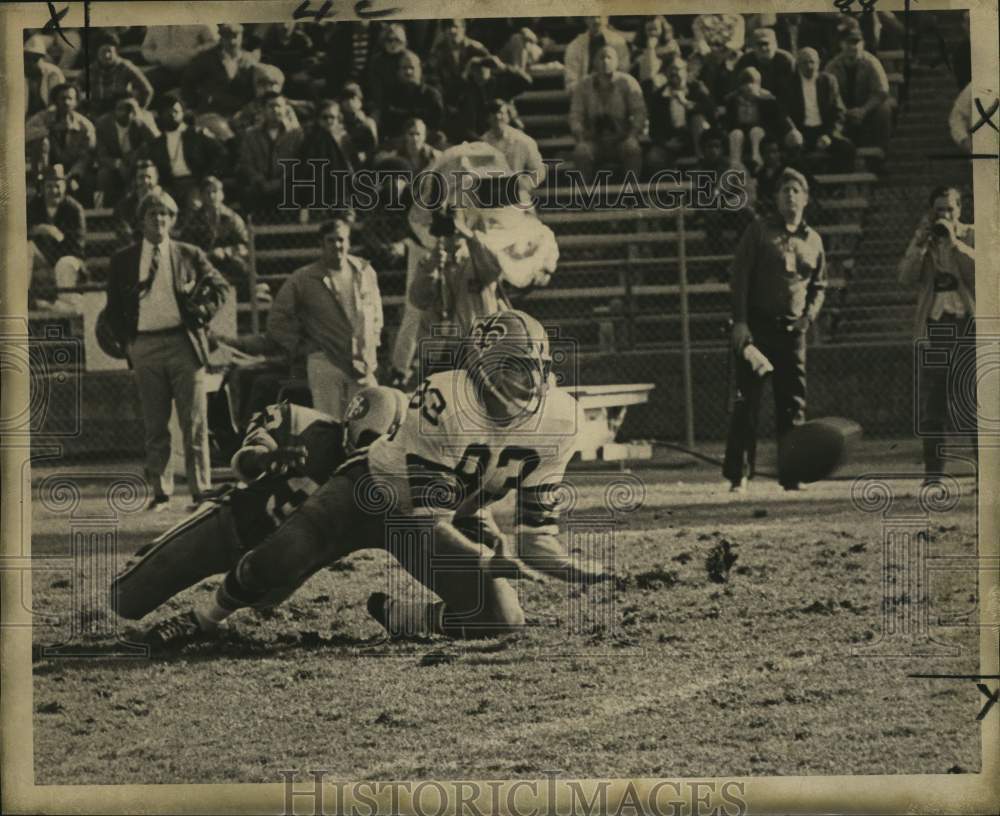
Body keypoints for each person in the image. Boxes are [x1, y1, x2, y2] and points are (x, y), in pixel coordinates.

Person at [137, 310, 603, 649]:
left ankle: (406, 618)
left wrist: (572, 567)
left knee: (503, 620)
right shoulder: (446, 398)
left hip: (440, 517)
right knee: (278, 563)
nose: (517, 380)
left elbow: (538, 534)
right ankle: (205, 618)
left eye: (524, 365)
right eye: (505, 366)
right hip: (369, 493)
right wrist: (487, 555)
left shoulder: (561, 419)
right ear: (478, 368)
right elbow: (427, 521)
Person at [112, 386, 408, 621]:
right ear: (350, 425)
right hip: (229, 529)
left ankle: (208, 616)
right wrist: (264, 459)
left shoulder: (384, 482)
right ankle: (153, 555)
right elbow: (246, 458)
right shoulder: (303, 425)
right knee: (123, 600)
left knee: (268, 582)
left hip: (278, 575)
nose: (367, 452)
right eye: (365, 441)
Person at [103, 190, 230, 511]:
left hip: (184, 344)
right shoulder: (123, 261)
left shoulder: (189, 254)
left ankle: (201, 489)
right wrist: (129, 342)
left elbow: (220, 286)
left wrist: (202, 311)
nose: (159, 220)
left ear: (172, 220)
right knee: (155, 423)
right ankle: (161, 491)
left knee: (195, 421)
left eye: (165, 214)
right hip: (145, 345)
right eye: (152, 214)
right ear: (141, 220)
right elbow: (113, 308)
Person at [723, 168, 827, 493]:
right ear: (777, 198)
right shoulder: (758, 231)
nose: (790, 196)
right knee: (747, 403)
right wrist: (740, 322)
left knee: (792, 404)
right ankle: (739, 475)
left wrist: (809, 316)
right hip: (757, 330)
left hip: (792, 333)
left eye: (796, 190)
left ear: (806, 198)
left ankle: (792, 474)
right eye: (784, 191)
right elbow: (740, 277)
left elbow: (819, 285)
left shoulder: (814, 240)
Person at [267, 212, 384, 423]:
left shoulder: (365, 271)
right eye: (331, 240)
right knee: (329, 425)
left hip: (361, 362)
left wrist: (373, 341)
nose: (337, 245)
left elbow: (376, 312)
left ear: (348, 241)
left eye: (341, 239)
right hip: (325, 361)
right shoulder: (304, 278)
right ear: (321, 244)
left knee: (370, 420)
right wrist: (300, 346)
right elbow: (277, 319)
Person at [896, 187, 976, 485]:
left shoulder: (971, 234)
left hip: (969, 324)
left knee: (974, 401)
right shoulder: (925, 239)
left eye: (949, 209)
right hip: (937, 327)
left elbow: (986, 271)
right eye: (939, 210)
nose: (944, 215)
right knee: (934, 404)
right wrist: (919, 245)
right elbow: (904, 277)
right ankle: (933, 476)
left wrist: (955, 244)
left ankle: (986, 477)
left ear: (960, 210)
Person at [569, 45, 647, 180]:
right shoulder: (583, 85)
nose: (605, 61)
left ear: (617, 62)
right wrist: (580, 137)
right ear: (594, 62)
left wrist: (633, 136)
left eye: (609, 57)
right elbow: (576, 114)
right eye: (601, 57)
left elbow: (639, 111)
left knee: (632, 149)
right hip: (594, 140)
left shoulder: (628, 82)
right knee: (581, 152)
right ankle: (585, 197)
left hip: (621, 139)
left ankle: (631, 194)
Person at [140, 93, 228, 210]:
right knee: (157, 204)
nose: (172, 115)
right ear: (161, 115)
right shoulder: (157, 144)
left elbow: (222, 154)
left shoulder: (197, 134)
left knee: (194, 205)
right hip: (170, 185)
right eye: (167, 112)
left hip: (195, 183)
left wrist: (207, 177)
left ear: (183, 113)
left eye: (176, 111)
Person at [823, 21, 894, 155]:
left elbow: (881, 91)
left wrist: (863, 110)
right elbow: (826, 94)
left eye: (856, 43)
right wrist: (844, 112)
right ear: (841, 44)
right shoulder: (832, 67)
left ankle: (881, 154)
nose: (852, 47)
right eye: (848, 42)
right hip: (842, 113)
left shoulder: (871, 63)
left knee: (884, 109)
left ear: (863, 44)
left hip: (866, 110)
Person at [178, 176, 253, 301]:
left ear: (222, 194)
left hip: (226, 262)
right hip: (201, 262)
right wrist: (201, 255)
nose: (212, 196)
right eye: (207, 192)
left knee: (242, 269)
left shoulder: (232, 218)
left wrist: (226, 252)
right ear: (201, 196)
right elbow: (184, 245)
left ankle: (242, 303)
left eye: (215, 191)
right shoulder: (193, 220)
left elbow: (245, 245)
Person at [27, 164, 87, 311]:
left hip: (68, 259)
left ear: (65, 187)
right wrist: (39, 229)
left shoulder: (74, 209)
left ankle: (57, 307)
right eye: (49, 186)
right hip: (42, 260)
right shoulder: (34, 205)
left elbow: (77, 247)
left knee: (64, 263)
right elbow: (17, 232)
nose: (54, 191)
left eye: (57, 186)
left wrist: (59, 237)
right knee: (24, 248)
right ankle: (23, 299)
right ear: (42, 188)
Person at [25, 82, 97, 203]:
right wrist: (48, 130)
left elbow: (86, 156)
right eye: (62, 98)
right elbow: (25, 133)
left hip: (72, 170)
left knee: (84, 182)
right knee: (41, 141)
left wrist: (73, 175)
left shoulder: (85, 126)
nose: (66, 102)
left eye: (70, 98)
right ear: (55, 101)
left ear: (76, 102)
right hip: (47, 166)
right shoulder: (43, 117)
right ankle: (39, 187)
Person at [786, 47, 854, 172]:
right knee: (790, 152)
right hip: (801, 131)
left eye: (812, 62)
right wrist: (792, 130)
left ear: (819, 63)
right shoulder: (789, 84)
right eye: (805, 62)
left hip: (824, 130)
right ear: (798, 65)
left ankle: (836, 188)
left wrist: (829, 135)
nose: (809, 66)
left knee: (847, 148)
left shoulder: (828, 81)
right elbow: (784, 113)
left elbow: (839, 111)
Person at [236, 92, 304, 214]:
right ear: (263, 109)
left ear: (285, 109)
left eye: (279, 106)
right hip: (259, 185)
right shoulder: (251, 135)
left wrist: (280, 182)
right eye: (271, 106)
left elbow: (300, 163)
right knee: (248, 192)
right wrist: (261, 181)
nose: (276, 110)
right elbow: (246, 162)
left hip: (286, 185)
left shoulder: (296, 134)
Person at [643, 58, 715, 171]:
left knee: (698, 118)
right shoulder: (658, 96)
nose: (674, 73)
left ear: (686, 71)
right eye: (671, 70)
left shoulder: (696, 88)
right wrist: (666, 143)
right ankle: (668, 182)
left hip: (695, 139)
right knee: (653, 158)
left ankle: (702, 164)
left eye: (678, 69)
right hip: (670, 140)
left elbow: (710, 110)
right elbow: (653, 129)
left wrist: (687, 104)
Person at [723, 67, 799, 171]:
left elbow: (780, 117)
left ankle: (757, 161)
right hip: (740, 131)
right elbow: (728, 121)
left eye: (752, 83)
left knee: (756, 131)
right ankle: (735, 165)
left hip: (760, 133)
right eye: (745, 83)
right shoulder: (732, 100)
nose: (749, 87)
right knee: (736, 133)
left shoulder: (767, 99)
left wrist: (792, 129)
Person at [94, 95, 160, 208]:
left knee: (146, 172)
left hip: (139, 162)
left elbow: (157, 143)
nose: (126, 112)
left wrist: (140, 119)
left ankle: (147, 205)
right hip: (115, 163)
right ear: (113, 111)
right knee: (104, 175)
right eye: (121, 108)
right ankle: (108, 210)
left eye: (129, 108)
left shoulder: (144, 118)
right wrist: (118, 164)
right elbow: (101, 155)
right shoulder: (103, 124)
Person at [452, 55, 532, 144]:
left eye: (484, 67)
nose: (480, 71)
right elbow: (451, 99)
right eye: (476, 69)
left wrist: (503, 67)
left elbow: (526, 82)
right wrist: (465, 72)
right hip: (480, 134)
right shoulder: (468, 88)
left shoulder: (500, 84)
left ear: (490, 69)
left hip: (505, 128)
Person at [375, 50, 445, 146]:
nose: (408, 72)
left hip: (426, 143)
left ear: (419, 70)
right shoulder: (390, 95)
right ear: (398, 71)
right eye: (404, 68)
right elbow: (386, 125)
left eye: (412, 68)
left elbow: (437, 125)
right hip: (398, 144)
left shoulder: (431, 95)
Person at [480, 99, 546, 195]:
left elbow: (539, 171)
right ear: (487, 118)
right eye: (493, 114)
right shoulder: (482, 143)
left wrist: (523, 186)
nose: (498, 117)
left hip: (516, 195)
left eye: (501, 113)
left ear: (508, 117)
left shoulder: (523, 141)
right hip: (491, 195)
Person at [85, 29, 154, 116]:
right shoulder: (91, 69)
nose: (107, 55)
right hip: (98, 111)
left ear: (116, 52)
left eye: (109, 51)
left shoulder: (125, 67)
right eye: (103, 52)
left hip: (121, 111)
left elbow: (147, 90)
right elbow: (76, 89)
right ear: (97, 53)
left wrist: (139, 109)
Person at [735, 27, 797, 110]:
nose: (763, 48)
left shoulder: (786, 60)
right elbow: (736, 87)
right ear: (753, 46)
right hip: (753, 106)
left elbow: (794, 89)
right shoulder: (745, 61)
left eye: (766, 44)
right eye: (759, 45)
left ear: (775, 44)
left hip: (781, 106)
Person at [563, 16, 631, 91]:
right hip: (586, 93)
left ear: (607, 18)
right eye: (591, 17)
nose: (596, 21)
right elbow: (571, 82)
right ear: (585, 19)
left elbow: (624, 73)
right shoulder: (575, 46)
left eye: (599, 16)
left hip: (614, 92)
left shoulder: (618, 42)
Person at [112, 159, 162, 245]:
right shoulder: (124, 206)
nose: (145, 181)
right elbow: (124, 232)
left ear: (156, 179)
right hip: (134, 249)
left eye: (149, 177)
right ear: (135, 180)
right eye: (141, 177)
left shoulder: (165, 204)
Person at [23, 34, 66, 119]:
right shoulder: (16, 73)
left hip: (49, 117)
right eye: (27, 58)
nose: (31, 63)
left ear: (42, 58)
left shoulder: (54, 72)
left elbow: (59, 99)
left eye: (35, 59)